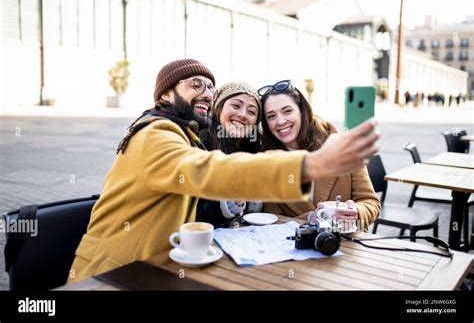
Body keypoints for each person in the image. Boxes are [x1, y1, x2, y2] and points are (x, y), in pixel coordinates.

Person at [68, 60, 379, 283]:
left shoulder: (186, 135)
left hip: (157, 267)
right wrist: (312, 164)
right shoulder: (155, 133)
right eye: (196, 85)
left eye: (211, 88)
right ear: (164, 93)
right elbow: (205, 171)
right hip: (109, 274)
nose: (206, 92)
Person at [259, 80, 380, 231]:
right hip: (297, 246)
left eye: (287, 111)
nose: (281, 121)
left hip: (348, 243)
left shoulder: (342, 145)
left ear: (302, 111)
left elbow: (370, 202)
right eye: (271, 116)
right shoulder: (268, 163)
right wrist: (310, 219)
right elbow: (273, 220)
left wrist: (355, 212)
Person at [197, 81, 263, 227]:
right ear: (218, 108)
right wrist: (232, 200)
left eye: (251, 112)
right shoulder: (199, 146)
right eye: (236, 106)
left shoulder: (255, 153)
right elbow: (191, 213)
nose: (242, 115)